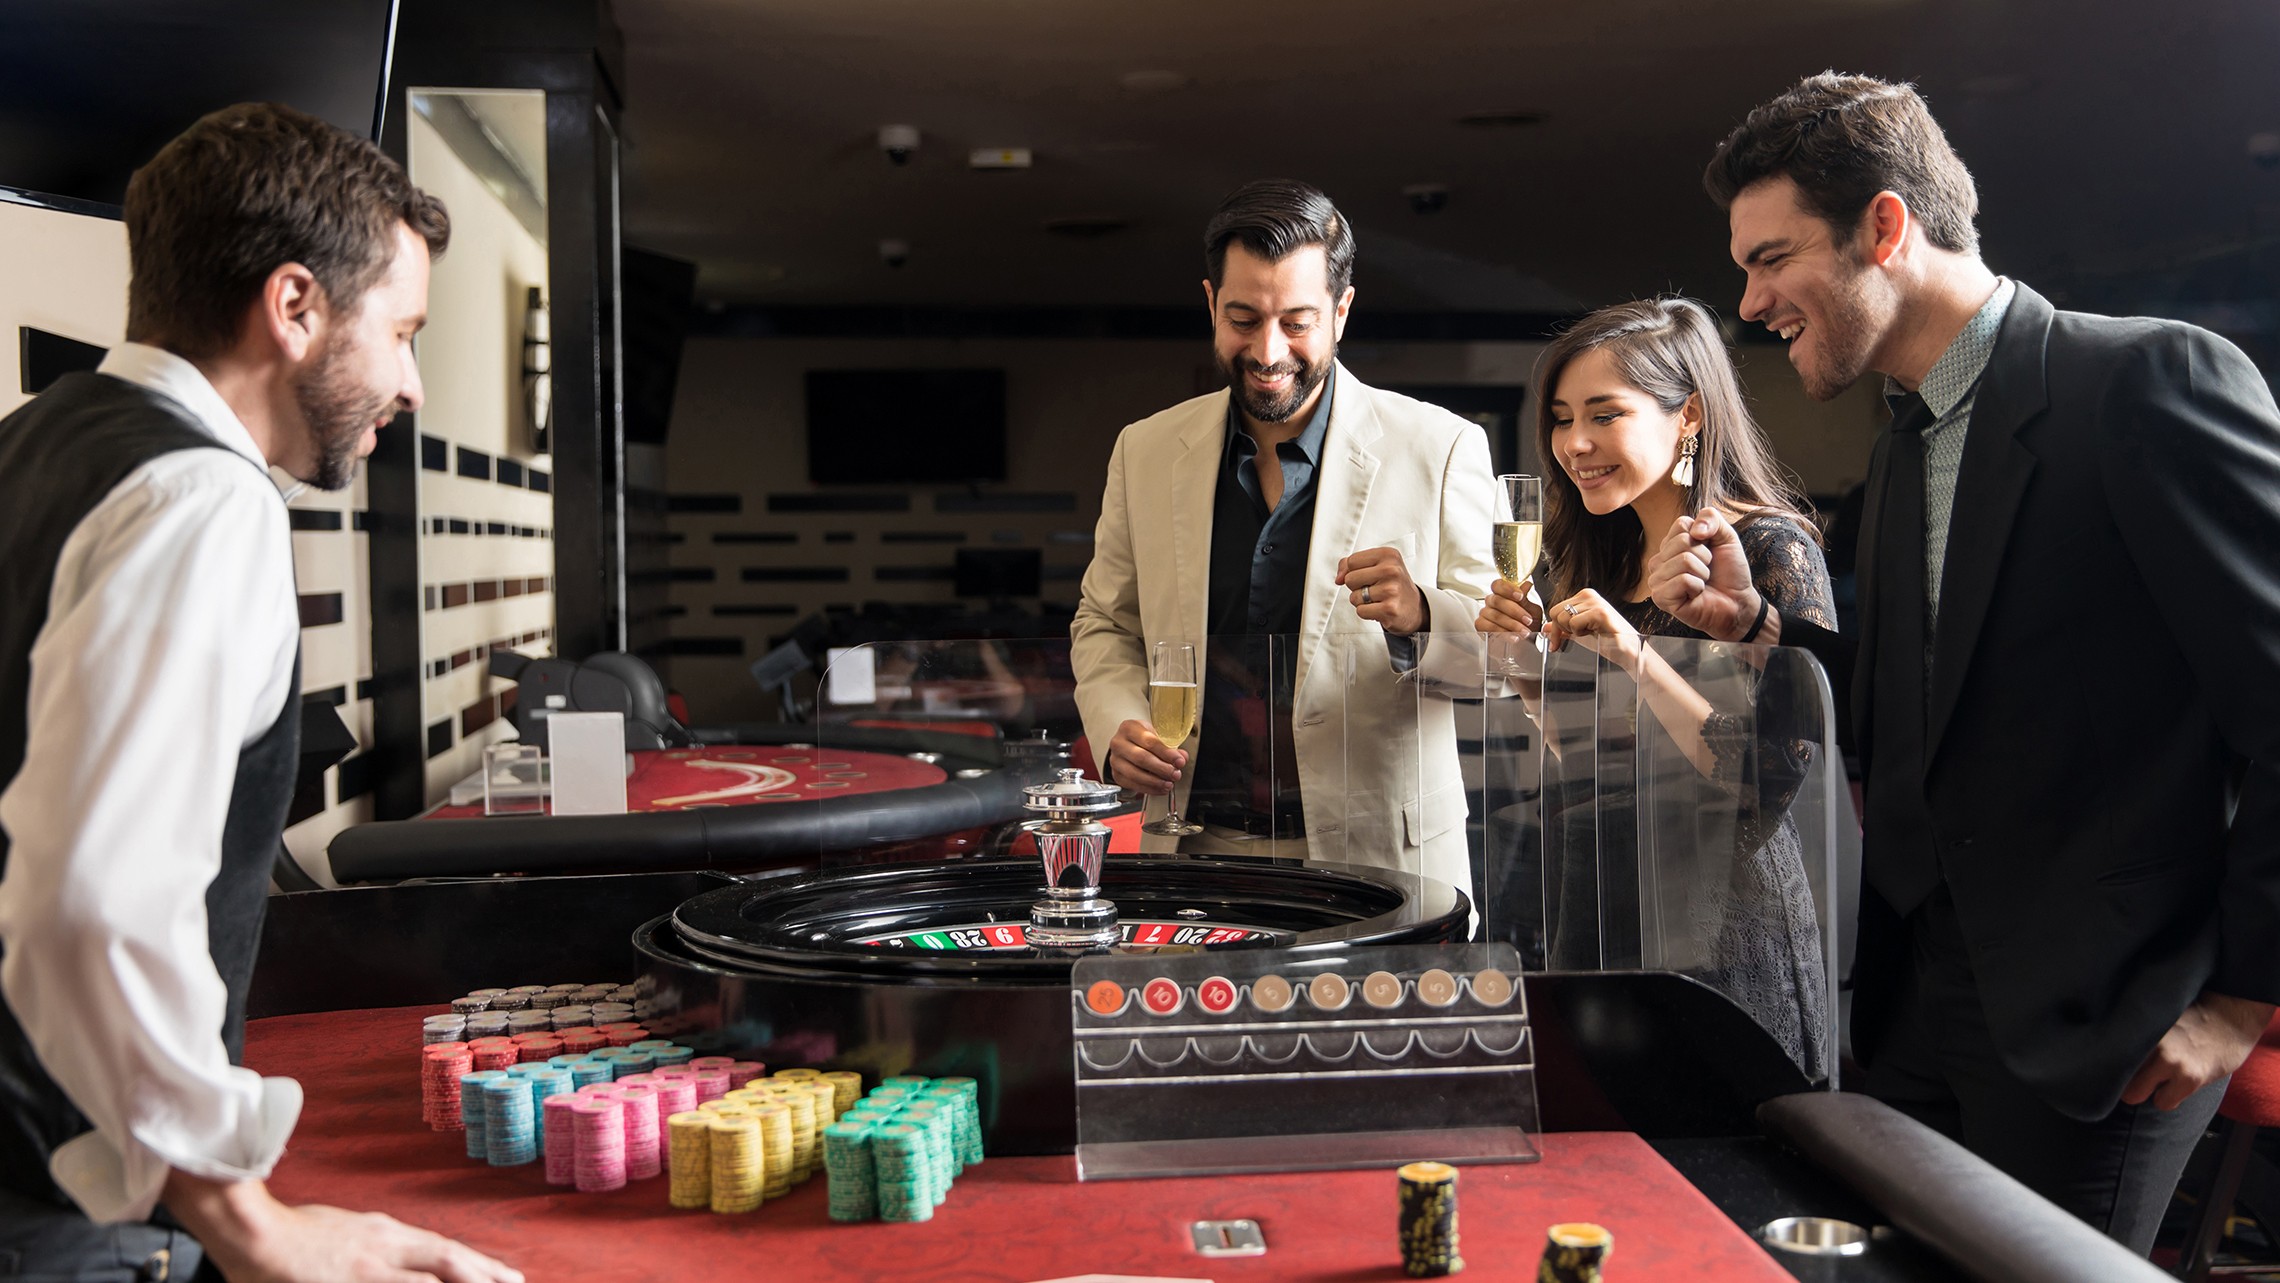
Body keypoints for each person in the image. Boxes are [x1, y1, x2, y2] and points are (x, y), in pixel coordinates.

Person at [1648, 71, 2280, 1252]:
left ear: (1886, 227)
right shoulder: (1903, 439)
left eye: (1771, 257)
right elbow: (1926, 714)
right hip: (1917, 1007)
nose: (1750, 301)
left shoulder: (2147, 379)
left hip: (2104, 1029)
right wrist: (1763, 633)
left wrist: (2245, 1001)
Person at [0, 104, 519, 1282]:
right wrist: (255, 1226)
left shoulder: (26, 444)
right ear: (294, 308)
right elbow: (93, 902)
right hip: (54, 1220)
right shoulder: (200, 502)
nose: (414, 384)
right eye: (403, 331)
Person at [1071, 179, 1498, 893]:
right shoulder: (1142, 450)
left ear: (1342, 311)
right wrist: (1116, 724)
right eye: (1243, 318)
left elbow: (1505, 661)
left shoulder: (1441, 446)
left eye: (1297, 322)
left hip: (1383, 868)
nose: (1268, 351)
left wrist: (1424, 613)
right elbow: (1106, 622)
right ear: (1210, 304)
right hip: (1193, 857)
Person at [1474, 298, 1835, 1077]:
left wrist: (1637, 653)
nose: (1574, 444)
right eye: (1564, 418)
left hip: (1724, 938)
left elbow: (1762, 785)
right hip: (1606, 910)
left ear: (1689, 416)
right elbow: (1595, 764)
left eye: (1605, 415)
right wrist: (1526, 675)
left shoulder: (1769, 547)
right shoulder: (1602, 556)